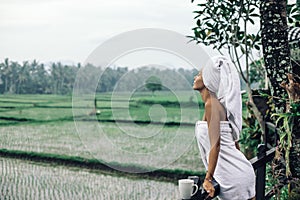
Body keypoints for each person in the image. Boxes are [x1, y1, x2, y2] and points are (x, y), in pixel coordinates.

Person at [193, 56, 256, 200]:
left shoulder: (212, 105)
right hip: (234, 172)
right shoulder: (214, 104)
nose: (195, 77)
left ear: (208, 79)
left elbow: (216, 145)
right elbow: (232, 140)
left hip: (232, 177)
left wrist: (208, 179)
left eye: (199, 74)